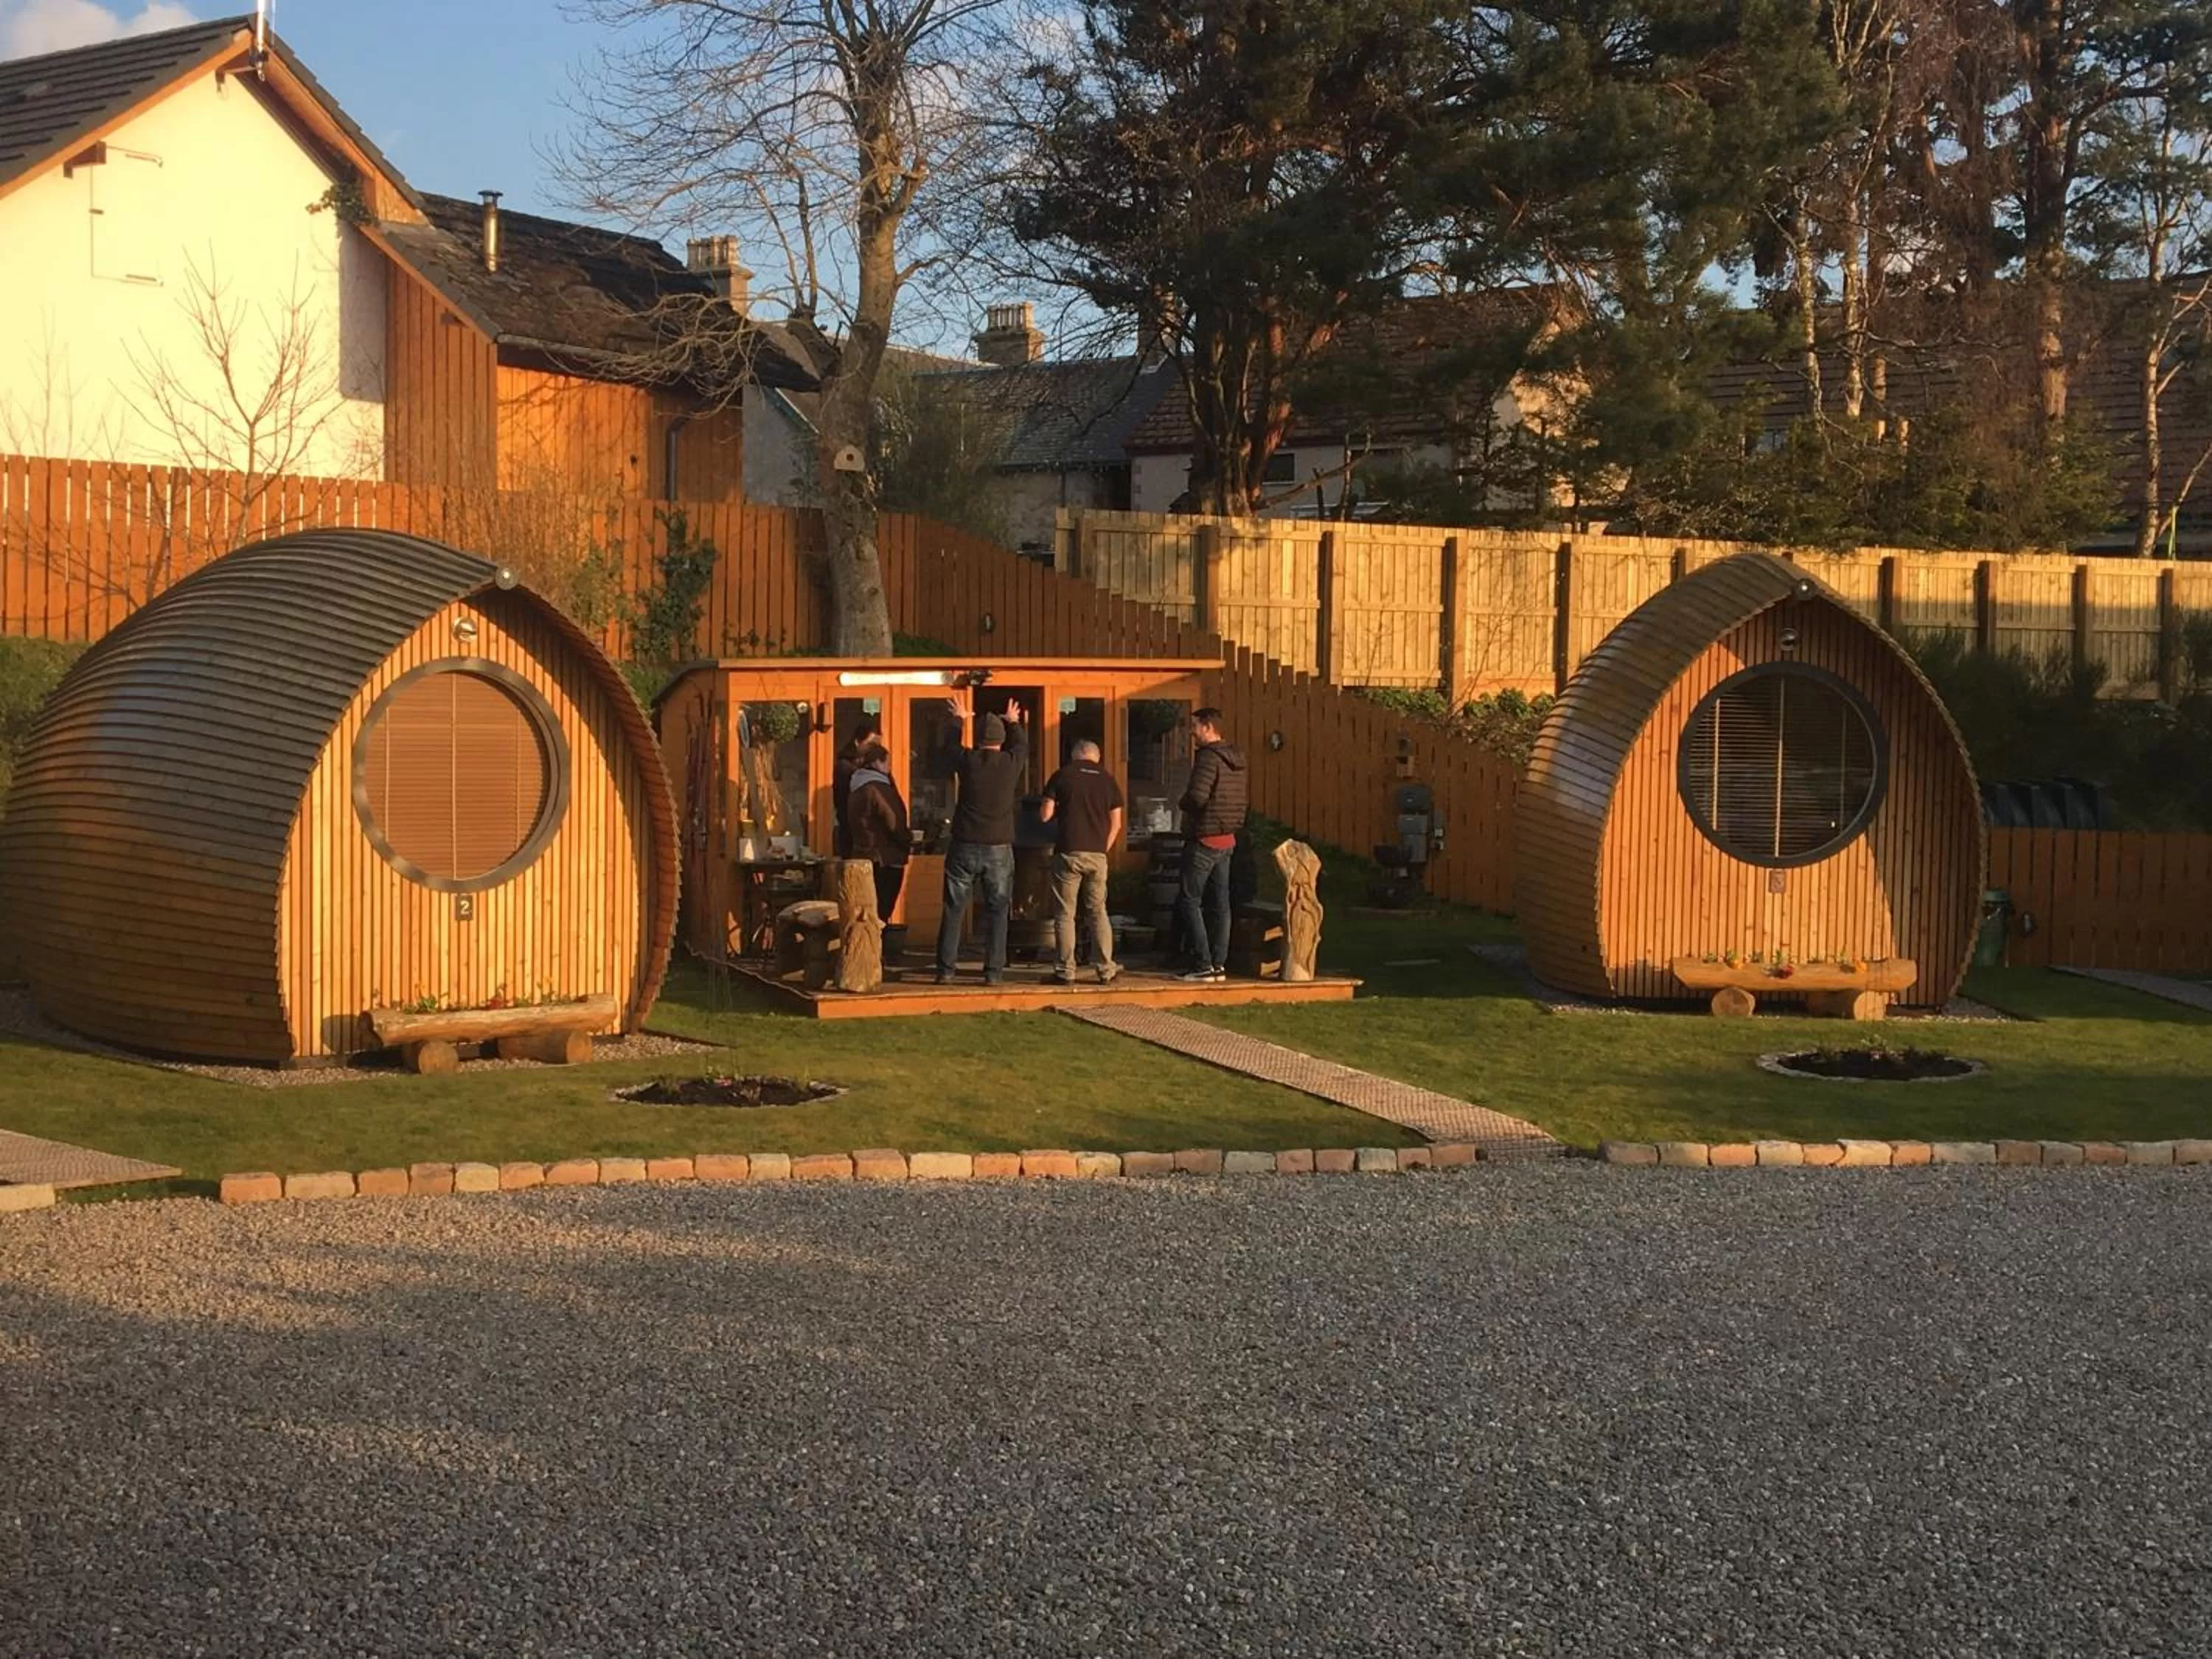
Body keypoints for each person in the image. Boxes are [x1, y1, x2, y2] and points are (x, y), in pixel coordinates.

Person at [933, 689, 1028, 985]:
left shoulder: (969, 761)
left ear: (978, 741)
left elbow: (949, 748)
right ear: (1001, 741)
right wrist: (1013, 722)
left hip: (964, 843)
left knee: (954, 908)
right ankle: (992, 973)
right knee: (998, 911)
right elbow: (1023, 745)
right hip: (999, 847)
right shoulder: (1011, 763)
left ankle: (946, 971)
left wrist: (958, 721)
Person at [1039, 738, 1124, 986]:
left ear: (1076, 755)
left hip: (1068, 852)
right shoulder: (1109, 780)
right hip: (1097, 855)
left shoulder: (1062, 776)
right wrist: (1102, 850)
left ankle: (1066, 971)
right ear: (1096, 757)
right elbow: (1116, 824)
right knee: (1098, 911)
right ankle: (1106, 970)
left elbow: (1045, 815)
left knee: (1065, 913)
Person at [1176, 706, 1248, 981]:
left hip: (1205, 838)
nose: (1191, 732)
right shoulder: (1236, 760)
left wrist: (1181, 804)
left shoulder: (1208, 758)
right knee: (1221, 903)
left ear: (1207, 727)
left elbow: (1197, 797)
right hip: (1228, 838)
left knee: (1189, 900)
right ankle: (1219, 963)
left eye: (1194, 727)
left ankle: (1202, 963)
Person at [844, 741, 909, 922]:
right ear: (877, 763)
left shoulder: (856, 787)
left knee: (867, 914)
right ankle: (879, 950)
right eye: (887, 762)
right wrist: (908, 840)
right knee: (882, 913)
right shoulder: (879, 788)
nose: (889, 767)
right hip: (885, 858)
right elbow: (894, 821)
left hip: (864, 855)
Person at [832, 714, 880, 858]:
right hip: (853, 833)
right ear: (858, 742)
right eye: (871, 744)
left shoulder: (873, 766)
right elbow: (843, 801)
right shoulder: (846, 768)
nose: (874, 749)